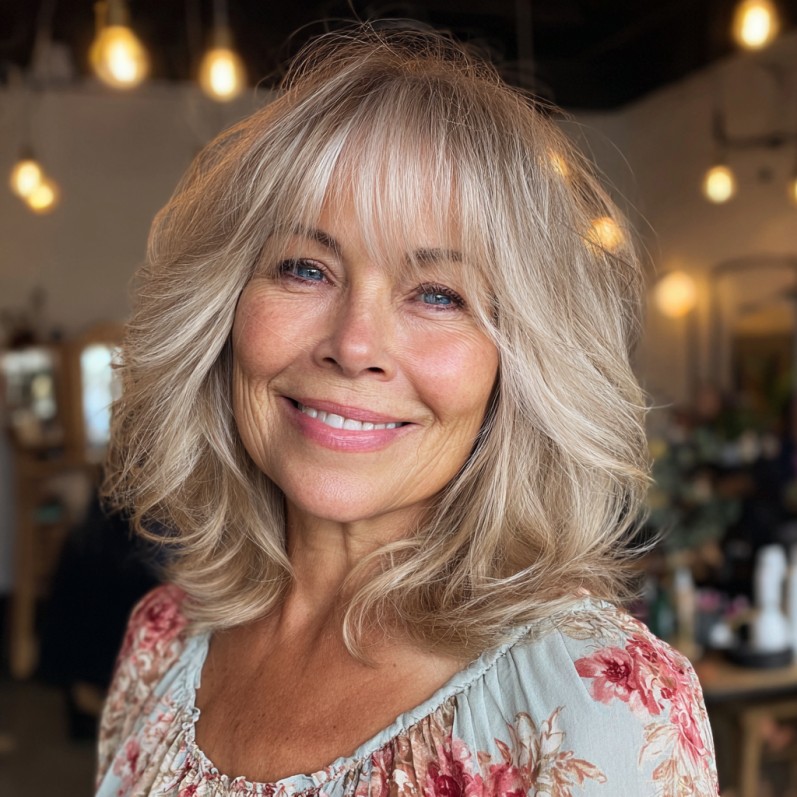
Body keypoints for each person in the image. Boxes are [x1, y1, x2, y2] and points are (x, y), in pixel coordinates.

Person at [96, 25, 719, 796]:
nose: (354, 345)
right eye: (304, 267)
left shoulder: (599, 701)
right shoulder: (162, 638)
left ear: (517, 362)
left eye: (437, 294)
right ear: (221, 309)